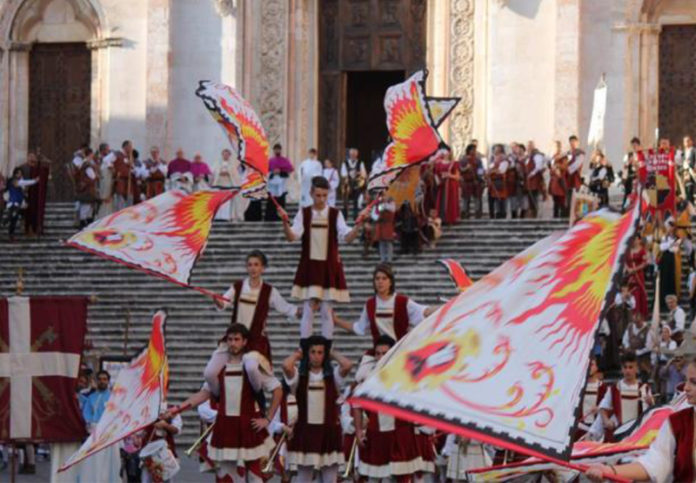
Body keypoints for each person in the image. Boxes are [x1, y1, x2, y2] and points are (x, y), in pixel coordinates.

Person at [171, 324, 282, 482]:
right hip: (226, 428)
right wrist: (176, 409)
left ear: (244, 342)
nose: (232, 343)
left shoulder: (252, 367)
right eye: (230, 339)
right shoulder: (218, 369)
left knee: (255, 477)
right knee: (225, 477)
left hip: (248, 427)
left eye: (237, 339)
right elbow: (203, 394)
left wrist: (268, 419)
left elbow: (277, 389)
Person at [279, 176, 365, 341]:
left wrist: (358, 225)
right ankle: (305, 350)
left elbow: (347, 237)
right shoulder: (303, 213)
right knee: (308, 310)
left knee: (327, 311)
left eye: (324, 195)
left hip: (329, 268)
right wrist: (284, 223)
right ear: (311, 193)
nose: (321, 199)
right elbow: (292, 237)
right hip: (310, 267)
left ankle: (326, 350)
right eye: (318, 195)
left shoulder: (335, 214)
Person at [586, 357, 696, 482]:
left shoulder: (643, 389)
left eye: (694, 382)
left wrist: (650, 403)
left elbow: (648, 412)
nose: (685, 387)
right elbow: (655, 462)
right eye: (686, 380)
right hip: (627, 435)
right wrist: (610, 470)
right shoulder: (677, 422)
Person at [354, 335, 433, 481]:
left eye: (385, 353)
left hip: (400, 433)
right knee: (375, 477)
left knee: (402, 477)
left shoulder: (405, 375)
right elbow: (357, 404)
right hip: (377, 433)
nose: (381, 357)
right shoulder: (369, 377)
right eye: (378, 353)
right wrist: (359, 431)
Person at [282, 336, 353, 482]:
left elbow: (347, 365)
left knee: (329, 479)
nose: (316, 356)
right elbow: (286, 366)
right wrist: (297, 355)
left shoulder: (333, 376)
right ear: (307, 354)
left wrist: (332, 353)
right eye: (313, 352)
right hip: (305, 433)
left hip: (329, 433)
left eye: (320, 352)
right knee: (304, 479)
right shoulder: (299, 376)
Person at [215, 250, 300, 360]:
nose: (253, 268)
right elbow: (223, 303)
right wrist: (216, 299)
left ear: (262, 268)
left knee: (251, 367)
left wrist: (302, 311)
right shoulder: (238, 286)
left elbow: (284, 307)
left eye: (256, 265)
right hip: (234, 339)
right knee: (210, 371)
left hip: (256, 341)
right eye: (250, 265)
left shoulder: (269, 291)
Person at [334, 264, 435, 344]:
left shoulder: (402, 301)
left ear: (390, 282)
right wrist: (335, 320)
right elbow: (359, 328)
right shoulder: (370, 304)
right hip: (379, 355)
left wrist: (449, 306)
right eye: (377, 279)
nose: (380, 282)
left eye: (384, 278)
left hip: (399, 352)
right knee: (363, 370)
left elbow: (425, 312)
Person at [597, 352, 654, 441]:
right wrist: (606, 421)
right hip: (618, 434)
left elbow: (652, 413)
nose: (628, 370)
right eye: (625, 367)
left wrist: (651, 404)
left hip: (637, 434)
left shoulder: (645, 389)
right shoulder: (614, 388)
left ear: (636, 369)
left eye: (631, 367)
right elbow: (602, 408)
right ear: (621, 369)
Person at [3, 167, 38, 242]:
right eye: (18, 173)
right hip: (13, 203)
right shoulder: (13, 181)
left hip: (18, 203)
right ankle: (5, 223)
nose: (20, 174)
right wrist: (34, 181)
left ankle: (11, 235)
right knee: (12, 217)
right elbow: (21, 183)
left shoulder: (19, 181)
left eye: (20, 173)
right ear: (15, 174)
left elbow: (22, 187)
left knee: (14, 220)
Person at [18, 152, 49, 236]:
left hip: (35, 192)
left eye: (33, 157)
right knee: (25, 211)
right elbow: (19, 179)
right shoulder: (22, 167)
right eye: (30, 156)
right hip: (25, 191)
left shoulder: (38, 168)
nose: (32, 158)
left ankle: (35, 228)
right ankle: (26, 228)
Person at [576, 357, 605, 439]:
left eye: (591, 365)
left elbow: (608, 408)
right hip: (580, 429)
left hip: (596, 429)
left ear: (597, 367)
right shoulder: (578, 387)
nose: (589, 367)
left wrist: (599, 409)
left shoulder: (602, 387)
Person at [266, 143, 294, 221]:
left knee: (281, 200)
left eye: (278, 149)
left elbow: (290, 169)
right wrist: (273, 172)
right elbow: (266, 171)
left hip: (281, 182)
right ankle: (270, 217)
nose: (277, 150)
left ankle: (281, 216)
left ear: (280, 150)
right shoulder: (270, 160)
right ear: (274, 150)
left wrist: (280, 171)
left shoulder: (284, 160)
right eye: (275, 149)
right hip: (272, 183)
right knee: (272, 201)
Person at [433, 148, 460, 224]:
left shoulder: (454, 163)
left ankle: (450, 219)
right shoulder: (438, 163)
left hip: (451, 186)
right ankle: (442, 219)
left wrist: (449, 175)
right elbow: (435, 174)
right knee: (441, 202)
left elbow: (457, 177)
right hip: (442, 185)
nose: (446, 154)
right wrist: (437, 181)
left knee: (450, 202)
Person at [659, 222, 682, 311]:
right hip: (664, 261)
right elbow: (661, 248)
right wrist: (670, 244)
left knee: (671, 280)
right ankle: (663, 303)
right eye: (668, 227)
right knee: (664, 280)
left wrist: (668, 245)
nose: (669, 229)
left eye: (671, 227)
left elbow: (675, 249)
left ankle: (672, 303)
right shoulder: (664, 237)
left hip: (672, 261)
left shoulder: (678, 238)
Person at [74, 148, 99, 228]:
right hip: (88, 189)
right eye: (92, 154)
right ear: (90, 154)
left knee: (88, 209)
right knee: (86, 208)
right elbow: (92, 176)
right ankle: (83, 226)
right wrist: (96, 175)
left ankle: (86, 225)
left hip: (86, 188)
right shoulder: (87, 165)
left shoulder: (84, 163)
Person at [625, 235, 649, 318]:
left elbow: (645, 262)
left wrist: (635, 269)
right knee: (630, 292)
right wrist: (628, 269)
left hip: (638, 274)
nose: (634, 241)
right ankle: (631, 314)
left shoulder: (642, 251)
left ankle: (639, 314)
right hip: (630, 275)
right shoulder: (628, 250)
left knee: (639, 292)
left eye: (635, 239)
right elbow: (624, 261)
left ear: (639, 240)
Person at [340, 148, 367, 220]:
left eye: (354, 154)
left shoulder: (360, 162)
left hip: (357, 184)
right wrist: (347, 177)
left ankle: (355, 217)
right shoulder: (345, 163)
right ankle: (345, 217)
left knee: (356, 201)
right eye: (352, 154)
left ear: (357, 155)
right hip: (348, 183)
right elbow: (343, 173)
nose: (353, 155)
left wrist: (360, 173)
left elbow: (364, 174)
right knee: (345, 201)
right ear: (349, 154)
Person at [459, 144, 484, 219]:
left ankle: (478, 213)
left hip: (476, 181)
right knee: (465, 198)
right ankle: (465, 213)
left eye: (475, 150)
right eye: (472, 150)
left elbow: (480, 169)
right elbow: (459, 170)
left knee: (477, 198)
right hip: (466, 181)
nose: (474, 151)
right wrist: (466, 168)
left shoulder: (478, 160)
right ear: (469, 150)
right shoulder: (463, 159)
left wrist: (479, 177)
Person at [524, 140, 546, 218]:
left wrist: (531, 174)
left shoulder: (537, 155)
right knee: (530, 199)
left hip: (535, 181)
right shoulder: (528, 156)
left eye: (530, 146)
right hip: (529, 181)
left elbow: (538, 167)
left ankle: (535, 215)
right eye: (528, 146)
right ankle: (531, 215)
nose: (528, 148)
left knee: (534, 198)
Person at [373, 196, 396, 263]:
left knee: (388, 243)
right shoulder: (381, 205)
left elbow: (390, 209)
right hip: (381, 225)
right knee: (382, 243)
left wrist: (383, 203)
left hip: (388, 225)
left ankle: (389, 259)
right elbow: (377, 212)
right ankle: (383, 259)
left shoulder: (390, 206)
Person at [487, 144, 508, 219]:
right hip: (491, 183)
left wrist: (492, 171)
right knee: (491, 200)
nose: (496, 151)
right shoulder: (492, 160)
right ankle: (492, 216)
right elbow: (488, 170)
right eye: (495, 149)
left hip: (499, 183)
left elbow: (501, 171)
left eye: (497, 149)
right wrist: (491, 171)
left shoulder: (504, 161)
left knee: (500, 200)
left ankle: (501, 215)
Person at [112, 140, 135, 210]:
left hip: (128, 181)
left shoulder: (129, 156)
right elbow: (106, 161)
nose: (131, 149)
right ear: (125, 147)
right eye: (130, 147)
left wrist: (130, 165)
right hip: (120, 180)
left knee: (129, 199)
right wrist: (113, 170)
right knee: (120, 200)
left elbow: (133, 168)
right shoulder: (117, 154)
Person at [549, 141, 569, 218]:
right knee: (555, 202)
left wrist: (558, 165)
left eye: (556, 147)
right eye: (553, 147)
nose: (555, 149)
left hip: (560, 182)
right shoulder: (552, 158)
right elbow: (551, 169)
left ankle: (563, 218)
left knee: (562, 201)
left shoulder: (563, 156)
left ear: (559, 147)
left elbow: (565, 167)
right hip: (554, 182)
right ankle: (555, 217)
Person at [96, 143, 116, 218]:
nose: (108, 151)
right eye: (107, 150)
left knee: (108, 205)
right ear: (102, 150)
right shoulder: (98, 160)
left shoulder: (109, 161)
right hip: (100, 185)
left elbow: (114, 172)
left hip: (108, 185)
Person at [678, 135, 696, 203]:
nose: (687, 142)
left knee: (690, 190)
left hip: (692, 173)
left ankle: (692, 208)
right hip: (685, 174)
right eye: (685, 141)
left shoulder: (694, 150)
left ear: (691, 142)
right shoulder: (683, 152)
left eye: (688, 141)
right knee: (685, 191)